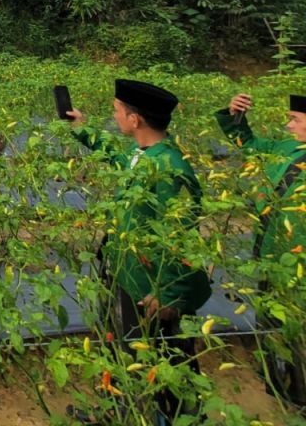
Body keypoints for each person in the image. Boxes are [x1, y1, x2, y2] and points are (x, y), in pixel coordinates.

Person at [67, 79, 210, 423]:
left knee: (165, 356)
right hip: (128, 273)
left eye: (117, 111)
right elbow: (116, 154)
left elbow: (184, 238)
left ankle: (177, 418)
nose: (113, 116)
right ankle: (120, 412)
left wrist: (170, 294)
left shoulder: (171, 170)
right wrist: (82, 130)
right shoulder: (143, 154)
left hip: (151, 287)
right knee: (124, 349)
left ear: (135, 120)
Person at [215, 93, 306, 406]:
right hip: (271, 258)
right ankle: (281, 388)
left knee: (297, 328)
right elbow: (248, 143)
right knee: (274, 328)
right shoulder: (286, 149)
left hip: (298, 270)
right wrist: (235, 116)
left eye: (295, 119)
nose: (287, 124)